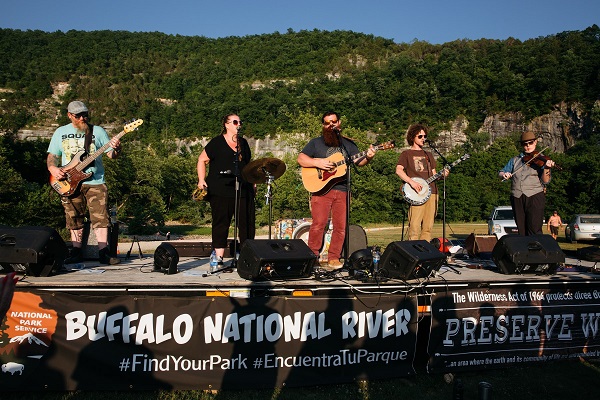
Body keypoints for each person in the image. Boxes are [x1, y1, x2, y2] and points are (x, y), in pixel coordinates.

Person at [297, 111, 375, 271]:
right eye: (327, 123)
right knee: (318, 225)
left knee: (340, 227)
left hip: (342, 189)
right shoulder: (316, 143)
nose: (331, 125)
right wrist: (317, 163)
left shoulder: (347, 144)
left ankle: (334, 258)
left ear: (339, 123)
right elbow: (301, 159)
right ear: (323, 126)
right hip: (321, 190)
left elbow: (359, 161)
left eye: (333, 122)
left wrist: (369, 156)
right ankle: (312, 258)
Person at [47, 101, 121, 265]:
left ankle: (104, 253)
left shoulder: (98, 131)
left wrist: (117, 149)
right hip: (68, 181)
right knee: (73, 217)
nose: (82, 118)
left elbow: (111, 155)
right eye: (78, 115)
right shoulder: (61, 132)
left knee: (101, 217)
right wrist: (52, 168)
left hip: (96, 181)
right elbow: (53, 155)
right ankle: (76, 251)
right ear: (69, 115)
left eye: (85, 114)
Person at [197, 114, 256, 266]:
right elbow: (202, 160)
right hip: (220, 188)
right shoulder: (216, 142)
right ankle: (219, 257)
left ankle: (246, 257)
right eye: (235, 122)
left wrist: (253, 182)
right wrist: (201, 180)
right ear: (226, 124)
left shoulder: (243, 143)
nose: (239, 124)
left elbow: (247, 165)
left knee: (246, 223)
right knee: (221, 222)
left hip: (242, 187)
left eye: (240, 122)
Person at [395, 124, 447, 241]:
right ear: (413, 137)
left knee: (428, 227)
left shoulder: (428, 155)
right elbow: (399, 170)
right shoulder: (406, 154)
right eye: (420, 136)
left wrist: (442, 175)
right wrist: (411, 182)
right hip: (416, 193)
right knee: (414, 227)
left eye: (425, 136)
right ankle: (413, 254)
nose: (423, 138)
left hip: (432, 192)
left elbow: (434, 174)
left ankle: (426, 254)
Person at [499, 131, 555, 236]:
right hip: (517, 196)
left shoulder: (541, 159)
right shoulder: (515, 160)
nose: (528, 146)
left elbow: (545, 180)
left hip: (534, 195)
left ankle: (536, 250)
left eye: (530, 143)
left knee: (534, 228)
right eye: (525, 144)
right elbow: (501, 172)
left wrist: (547, 168)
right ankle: (524, 250)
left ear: (535, 142)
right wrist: (504, 174)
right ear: (522, 145)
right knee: (521, 229)